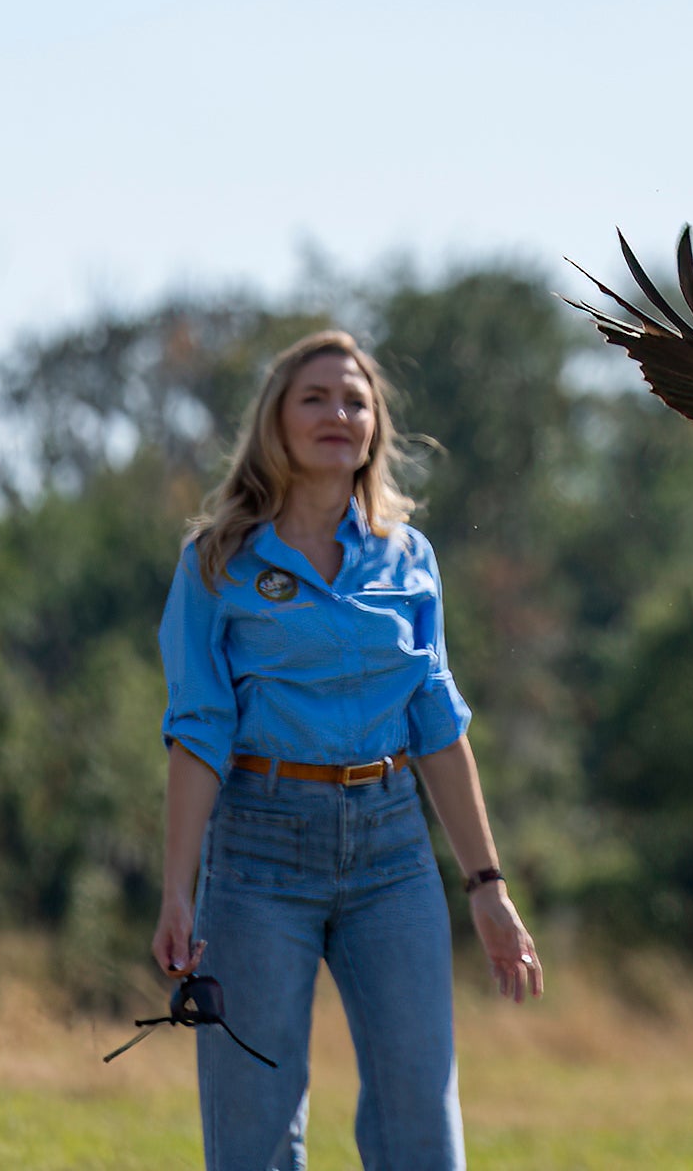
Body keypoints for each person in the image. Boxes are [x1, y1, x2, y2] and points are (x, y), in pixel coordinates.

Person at [149, 329, 543, 1170]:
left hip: (392, 855)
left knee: (421, 1131)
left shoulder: (410, 559)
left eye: (355, 400)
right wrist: (178, 891)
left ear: (375, 427)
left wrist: (488, 887)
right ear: (276, 424)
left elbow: (437, 724)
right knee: (253, 1132)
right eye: (315, 398)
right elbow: (198, 732)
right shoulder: (217, 561)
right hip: (256, 855)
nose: (338, 413)